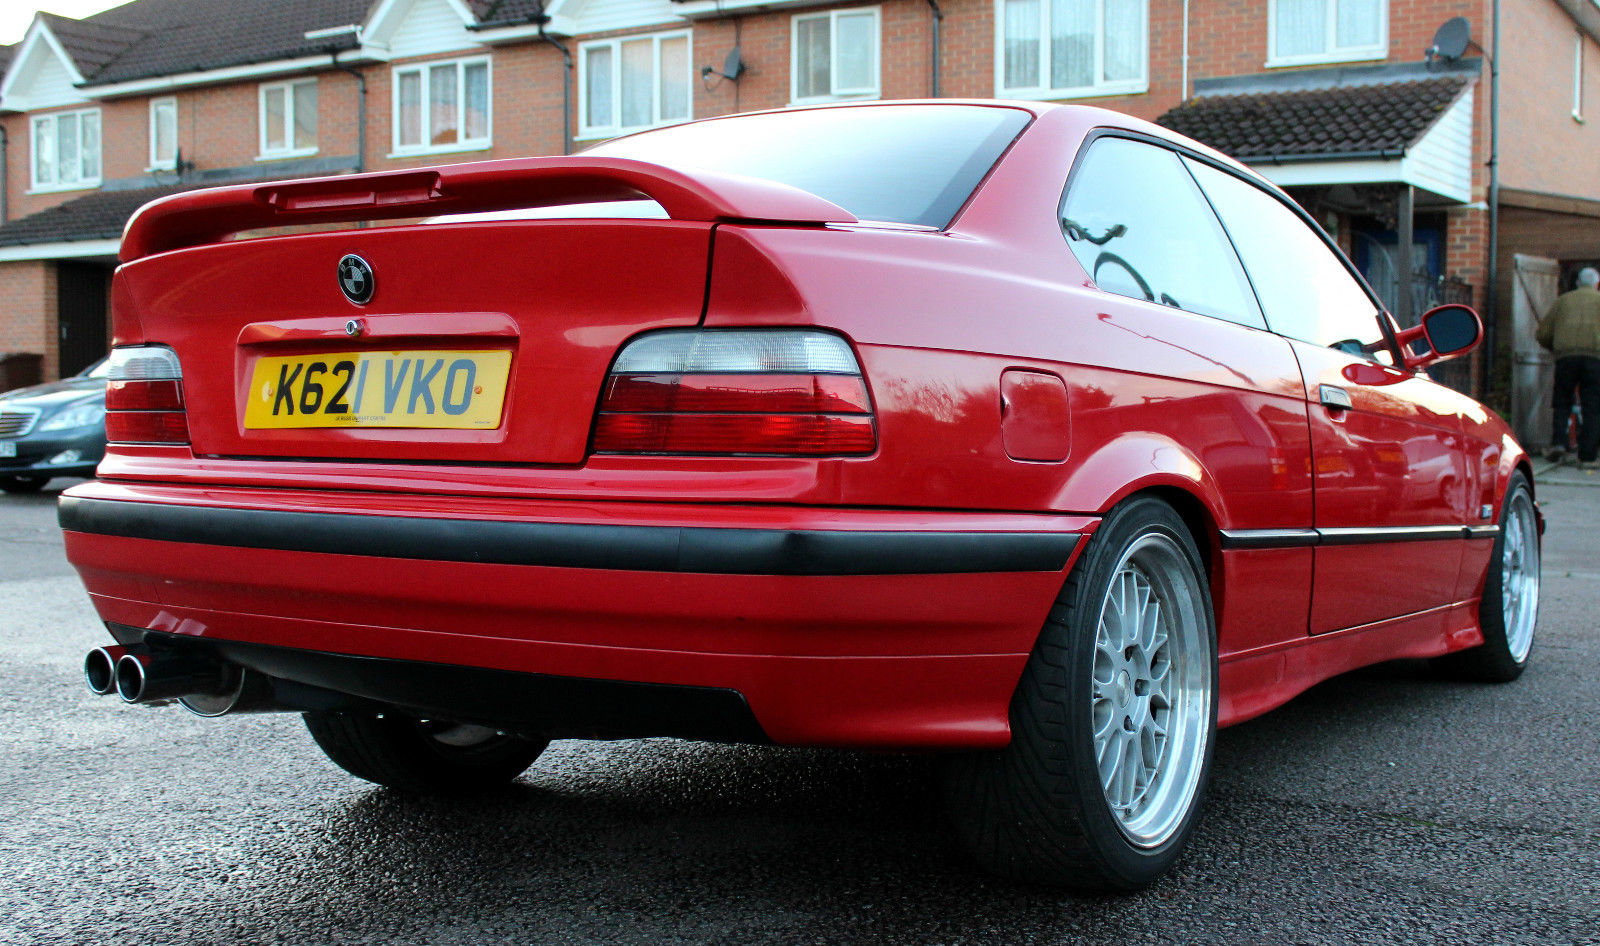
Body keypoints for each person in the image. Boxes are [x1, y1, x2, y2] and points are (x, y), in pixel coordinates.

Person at [1538, 266, 1600, 468]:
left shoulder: (1563, 301)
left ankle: (1559, 444)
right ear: (1596, 284)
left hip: (1566, 358)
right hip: (1595, 359)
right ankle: (1587, 456)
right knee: (1593, 406)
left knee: (1562, 401)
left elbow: (1543, 333)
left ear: (1577, 282)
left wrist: (1555, 347)